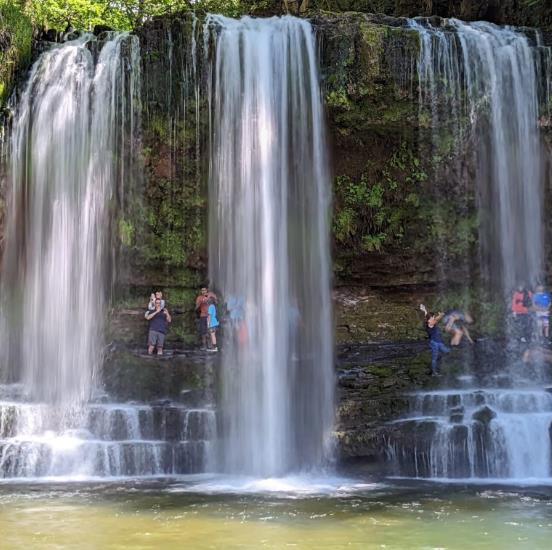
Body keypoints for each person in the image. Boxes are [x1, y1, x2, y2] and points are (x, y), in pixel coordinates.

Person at [425, 311, 450, 376]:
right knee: (434, 358)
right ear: (429, 319)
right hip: (434, 342)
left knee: (447, 351)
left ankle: (437, 366)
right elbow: (435, 320)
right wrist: (441, 315)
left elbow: (428, 316)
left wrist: (424, 310)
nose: (433, 318)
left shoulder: (430, 321)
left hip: (439, 342)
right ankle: (433, 372)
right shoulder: (430, 324)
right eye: (433, 317)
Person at [195, 286, 217, 350]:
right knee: (203, 331)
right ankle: (204, 345)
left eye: (204, 290)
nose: (203, 292)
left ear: (207, 290)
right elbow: (196, 308)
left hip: (211, 317)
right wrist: (200, 302)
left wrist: (211, 298)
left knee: (210, 331)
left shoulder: (211, 294)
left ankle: (210, 345)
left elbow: (216, 302)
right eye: (202, 290)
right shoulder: (199, 298)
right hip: (203, 316)